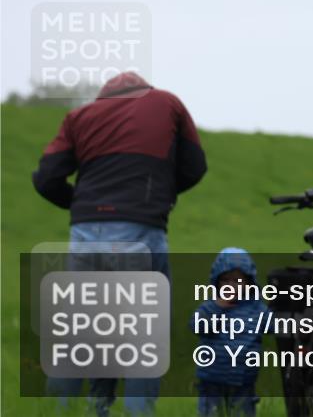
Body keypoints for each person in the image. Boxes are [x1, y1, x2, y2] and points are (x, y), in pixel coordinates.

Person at [32, 72, 207, 416]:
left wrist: (81, 204)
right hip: (140, 230)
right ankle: (136, 412)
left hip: (86, 235)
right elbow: (195, 167)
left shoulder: (79, 117)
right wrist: (157, 196)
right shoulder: (167, 104)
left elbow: (46, 178)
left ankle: (63, 409)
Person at [191, 248, 269, 417]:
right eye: (225, 280)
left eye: (237, 280)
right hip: (212, 377)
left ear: (249, 283)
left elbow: (276, 325)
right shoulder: (211, 306)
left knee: (243, 411)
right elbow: (197, 326)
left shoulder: (257, 309)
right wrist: (216, 307)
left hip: (243, 379)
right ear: (217, 282)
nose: (231, 285)